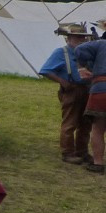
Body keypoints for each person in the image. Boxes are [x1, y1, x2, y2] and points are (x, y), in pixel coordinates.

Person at [38, 22, 93, 164]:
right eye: (78, 38)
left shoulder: (88, 53)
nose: (81, 40)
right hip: (71, 90)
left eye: (83, 38)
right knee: (70, 123)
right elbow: (45, 70)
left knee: (86, 123)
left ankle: (82, 152)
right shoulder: (61, 52)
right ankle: (68, 153)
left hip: (87, 89)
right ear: (68, 38)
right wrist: (63, 82)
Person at [74, 29, 106, 173]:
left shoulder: (101, 44)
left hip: (102, 89)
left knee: (98, 129)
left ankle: (98, 164)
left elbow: (79, 49)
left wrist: (82, 66)